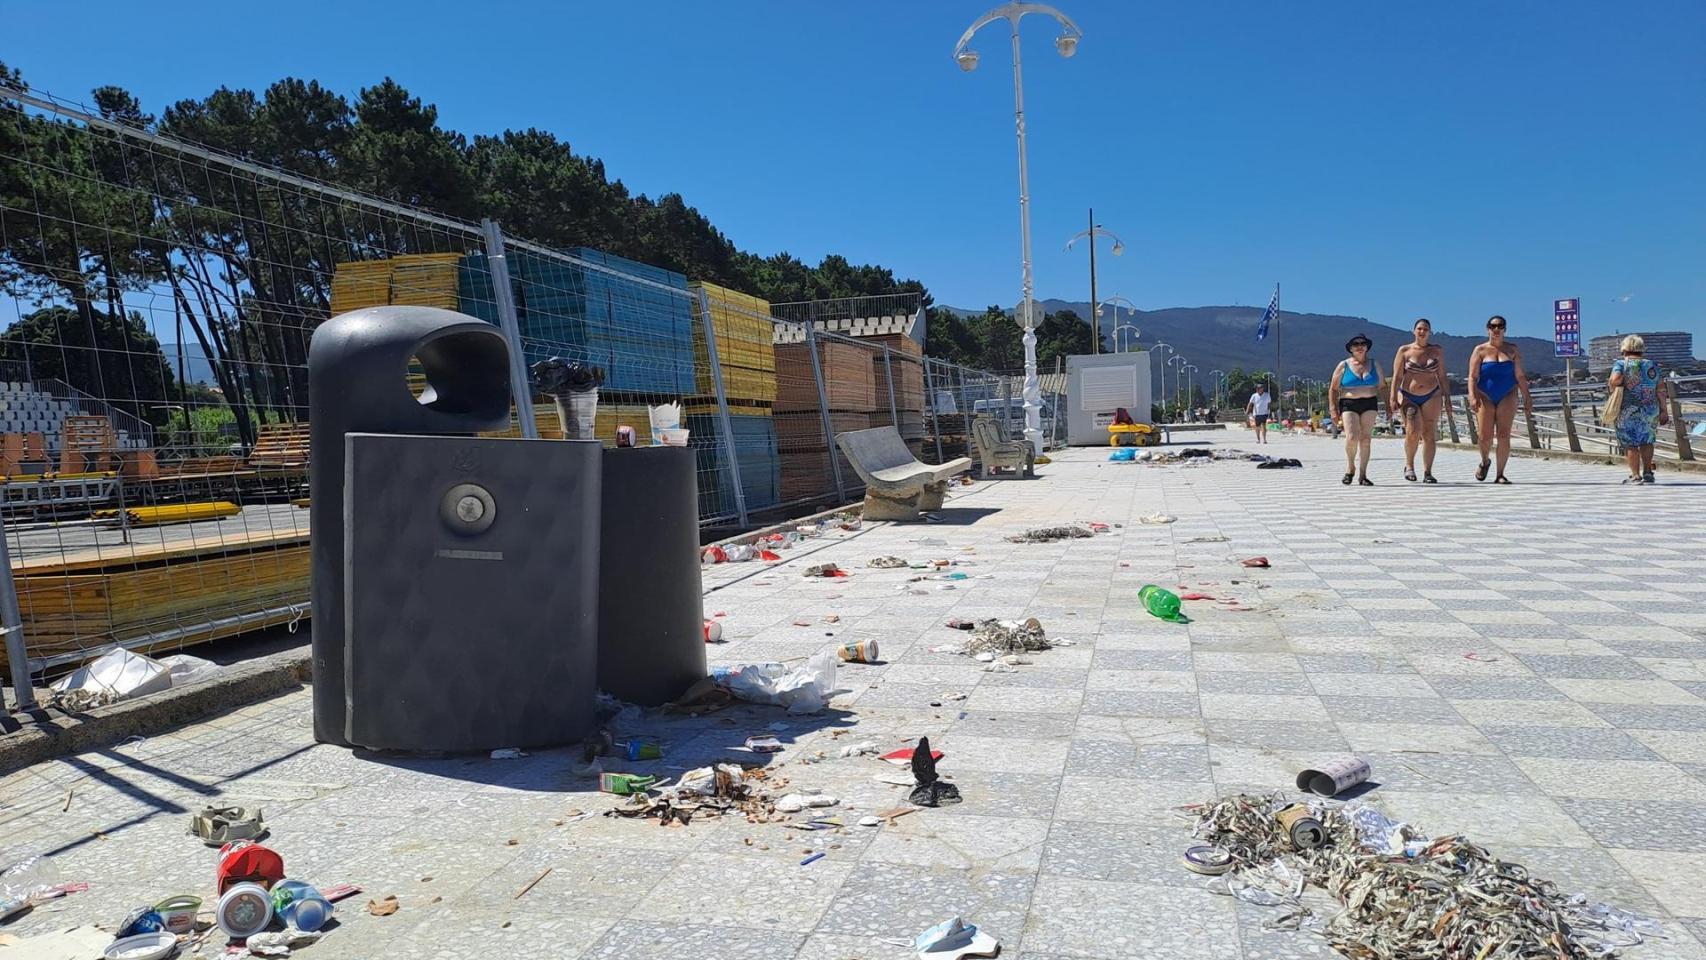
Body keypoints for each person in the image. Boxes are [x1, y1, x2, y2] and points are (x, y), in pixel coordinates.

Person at [1467, 315, 1533, 484]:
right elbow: (1473, 376)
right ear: (1487, 329)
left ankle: (1500, 474)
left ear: (1505, 329)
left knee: (1504, 434)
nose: (1496, 329)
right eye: (1493, 326)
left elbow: (1519, 375)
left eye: (1500, 326)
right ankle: (1484, 461)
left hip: (1508, 393)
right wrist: (1472, 396)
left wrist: (1527, 396)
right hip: (1485, 394)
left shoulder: (1512, 350)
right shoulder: (1480, 350)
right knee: (1484, 435)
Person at [1390, 318, 1452, 483]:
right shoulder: (1404, 351)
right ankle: (1409, 465)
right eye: (1419, 329)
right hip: (1409, 395)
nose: (1422, 332)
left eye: (1425, 329)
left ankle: (1428, 472)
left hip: (1432, 394)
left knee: (1429, 434)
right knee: (1412, 431)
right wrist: (1392, 397)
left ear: (1430, 332)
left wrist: (1447, 398)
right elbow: (1397, 377)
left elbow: (1442, 376)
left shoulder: (1436, 351)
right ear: (1414, 331)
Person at [1607, 334, 1670, 484]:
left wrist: (1624, 380)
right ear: (1642, 349)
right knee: (1647, 440)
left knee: (1630, 442)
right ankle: (1648, 472)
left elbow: (1614, 381)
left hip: (1627, 408)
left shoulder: (1621, 364)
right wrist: (1663, 410)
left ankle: (1635, 475)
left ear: (1624, 349)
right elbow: (1661, 389)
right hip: (1650, 408)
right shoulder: (1652, 365)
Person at [1328, 334, 1385, 485]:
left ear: (1367, 347)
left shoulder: (1375, 364)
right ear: (1351, 348)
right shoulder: (1343, 365)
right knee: (1352, 437)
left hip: (1370, 402)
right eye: (1355, 344)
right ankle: (1350, 467)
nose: (1359, 346)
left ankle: (1363, 474)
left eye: (1363, 343)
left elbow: (1382, 386)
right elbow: (1333, 389)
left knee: (1366, 439)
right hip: (1349, 403)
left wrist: (1389, 405)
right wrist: (1333, 409)